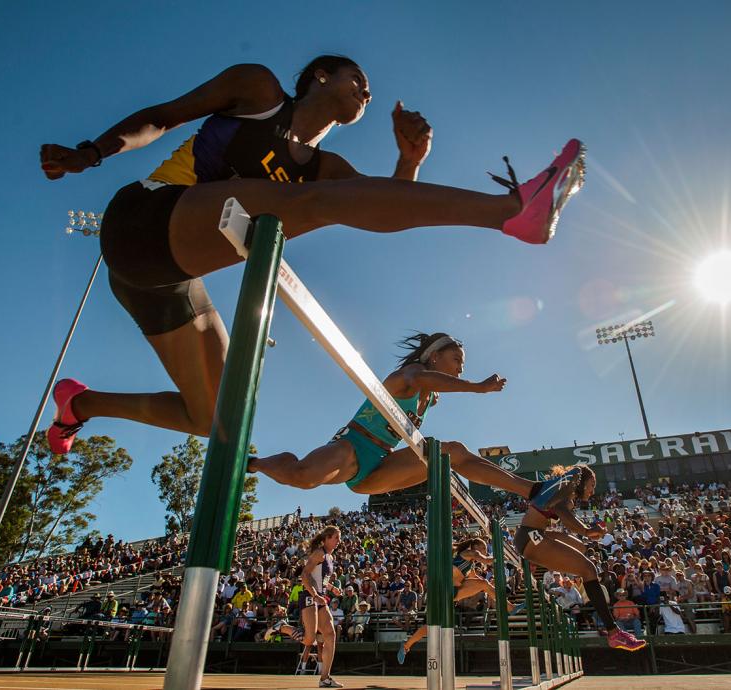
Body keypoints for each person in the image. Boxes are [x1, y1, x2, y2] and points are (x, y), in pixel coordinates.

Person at [39, 56, 586, 455]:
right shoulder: (257, 91)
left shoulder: (326, 170)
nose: (366, 93)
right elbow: (165, 114)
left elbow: (379, 209)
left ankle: (79, 406)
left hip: (164, 280)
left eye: (369, 91)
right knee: (300, 204)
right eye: (358, 80)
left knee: (219, 417)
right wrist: (92, 152)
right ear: (320, 76)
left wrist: (409, 161)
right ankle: (513, 209)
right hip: (143, 221)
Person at [249, 333, 543, 497]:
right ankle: (255, 463)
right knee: (303, 477)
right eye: (456, 361)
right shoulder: (411, 373)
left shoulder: (431, 396)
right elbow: (419, 381)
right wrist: (477, 388)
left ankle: (532, 491)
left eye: (462, 365)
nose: (460, 369)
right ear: (434, 357)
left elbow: (431, 389)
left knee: (451, 453)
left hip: (379, 467)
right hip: (352, 447)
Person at [513, 465, 646, 652]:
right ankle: (613, 631)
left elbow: (551, 518)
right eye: (592, 485)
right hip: (530, 536)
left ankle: (613, 631)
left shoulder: (563, 494)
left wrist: (578, 536)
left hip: (532, 535)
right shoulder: (565, 494)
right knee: (588, 569)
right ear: (581, 483)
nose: (593, 490)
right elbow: (562, 512)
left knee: (582, 553)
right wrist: (585, 530)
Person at [397, 537, 518, 663]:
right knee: (431, 626)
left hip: (453, 592)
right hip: (444, 591)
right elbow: (487, 560)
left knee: (484, 584)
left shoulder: (470, 565)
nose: (485, 551)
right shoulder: (470, 553)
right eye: (483, 548)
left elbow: (475, 577)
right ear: (475, 547)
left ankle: (510, 607)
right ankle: (406, 645)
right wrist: (503, 556)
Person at [296, 526, 344, 688]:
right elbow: (304, 575)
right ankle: (282, 627)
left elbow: (321, 579)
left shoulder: (329, 557)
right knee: (310, 639)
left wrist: (331, 588)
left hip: (321, 599)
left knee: (330, 635)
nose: (339, 541)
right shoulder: (319, 553)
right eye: (336, 538)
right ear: (327, 538)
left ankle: (325, 678)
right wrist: (315, 595)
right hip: (310, 597)